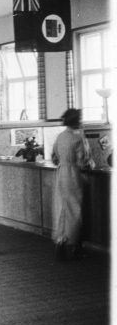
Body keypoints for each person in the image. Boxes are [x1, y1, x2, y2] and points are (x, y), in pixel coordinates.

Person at [51, 108, 94, 260]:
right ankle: (76, 246)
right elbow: (84, 162)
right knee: (76, 210)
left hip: (61, 174)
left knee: (63, 209)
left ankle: (61, 241)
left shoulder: (60, 137)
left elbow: (54, 158)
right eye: (80, 119)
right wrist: (91, 165)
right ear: (76, 121)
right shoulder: (79, 138)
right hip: (75, 176)